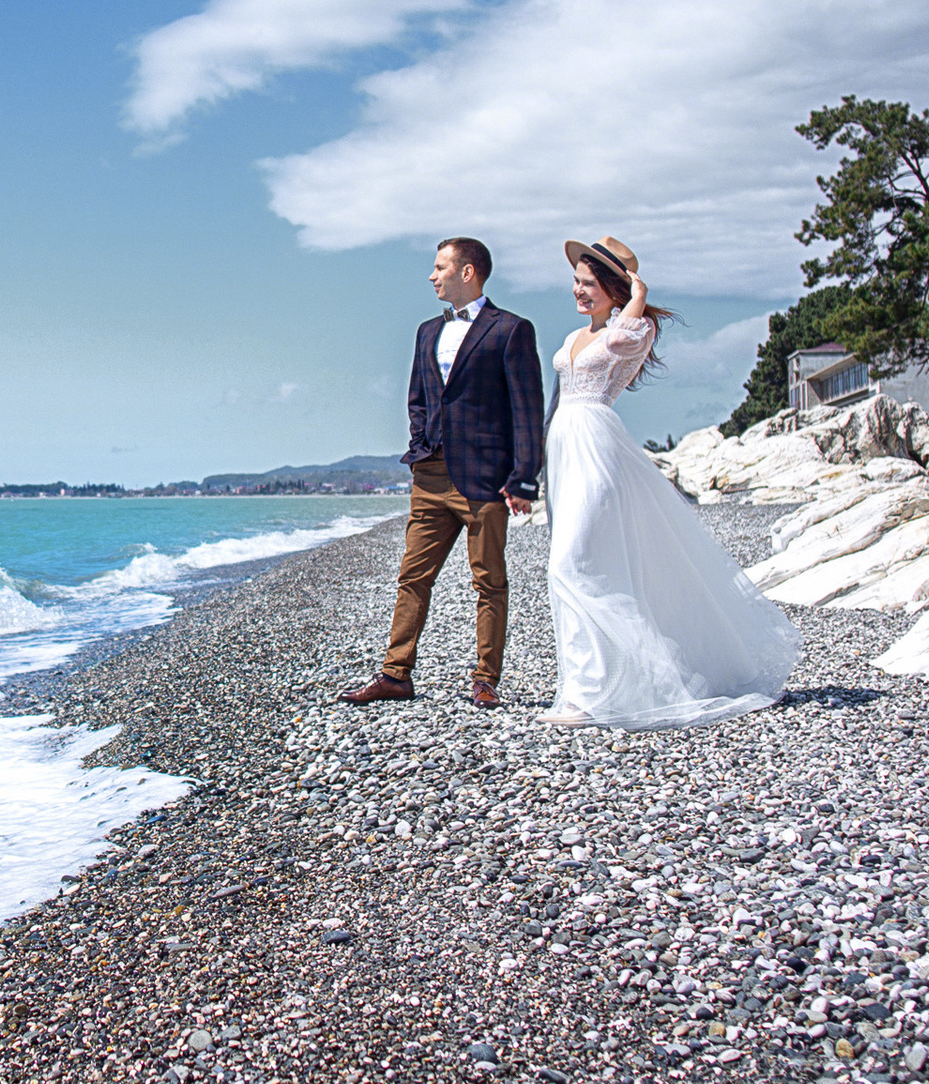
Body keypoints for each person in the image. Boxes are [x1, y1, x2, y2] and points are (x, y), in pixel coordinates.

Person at [540, 237, 799, 728]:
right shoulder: (574, 337)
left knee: (571, 564)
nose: (578, 290)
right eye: (576, 281)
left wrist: (637, 291)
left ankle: (605, 689)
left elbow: (619, 340)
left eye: (590, 284)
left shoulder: (631, 331)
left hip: (598, 446)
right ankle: (582, 688)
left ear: (616, 290)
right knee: (574, 565)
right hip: (564, 449)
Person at [341, 237, 545, 709]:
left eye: (439, 268)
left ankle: (485, 680)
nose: (432, 277)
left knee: (489, 581)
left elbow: (527, 409)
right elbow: (418, 398)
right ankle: (395, 674)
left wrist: (523, 478)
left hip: (486, 478)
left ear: (467, 272)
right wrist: (420, 446)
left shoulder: (511, 330)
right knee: (413, 576)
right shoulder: (426, 330)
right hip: (430, 475)